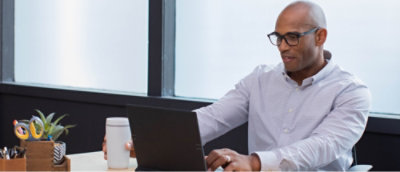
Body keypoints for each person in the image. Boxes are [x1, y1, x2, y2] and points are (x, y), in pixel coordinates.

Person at [103, 1, 370, 171]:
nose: (283, 48)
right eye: (278, 38)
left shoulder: (351, 92)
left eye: (293, 38)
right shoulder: (260, 79)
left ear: (320, 36)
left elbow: (321, 146)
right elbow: (215, 117)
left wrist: (254, 162)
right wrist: (148, 141)